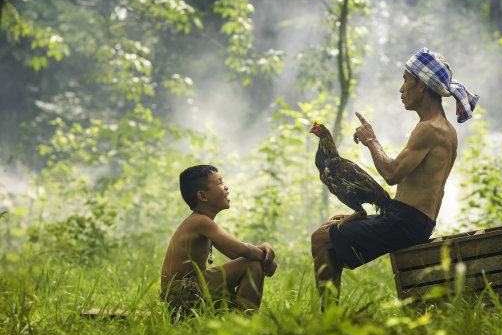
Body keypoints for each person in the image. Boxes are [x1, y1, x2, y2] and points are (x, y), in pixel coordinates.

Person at [310, 47, 479, 302]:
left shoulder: (429, 129)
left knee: (320, 239)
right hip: (413, 221)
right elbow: (437, 190)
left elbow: (391, 174)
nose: (401, 89)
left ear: (420, 86)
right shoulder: (446, 130)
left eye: (405, 80)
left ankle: (327, 321)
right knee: (328, 230)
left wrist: (371, 140)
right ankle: (332, 317)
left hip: (404, 223)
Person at [160, 165, 277, 315]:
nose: (226, 187)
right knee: (252, 264)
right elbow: (244, 250)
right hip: (180, 293)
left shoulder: (204, 223)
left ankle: (241, 324)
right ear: (203, 196)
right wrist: (266, 258)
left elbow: (239, 254)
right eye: (220, 183)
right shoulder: (199, 222)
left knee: (253, 263)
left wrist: (263, 248)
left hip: (185, 293)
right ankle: (242, 326)